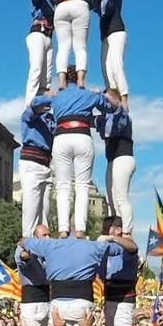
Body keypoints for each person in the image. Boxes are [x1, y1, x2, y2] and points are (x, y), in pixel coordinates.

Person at [31, 71, 119, 237]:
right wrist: (99, 94)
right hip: (82, 135)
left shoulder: (58, 96)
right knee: (82, 185)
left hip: (61, 137)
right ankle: (80, 229)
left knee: (63, 186)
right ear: (81, 78)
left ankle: (63, 229)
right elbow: (112, 107)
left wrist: (49, 96)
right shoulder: (88, 94)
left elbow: (34, 103)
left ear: (63, 79)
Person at [35, 0, 115, 90]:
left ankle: (61, 81)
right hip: (79, 3)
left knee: (63, 47)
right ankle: (80, 80)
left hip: (61, 6)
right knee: (80, 47)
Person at [97, 216, 140, 326]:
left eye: (107, 229)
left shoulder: (127, 245)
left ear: (118, 230)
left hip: (124, 298)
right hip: (109, 296)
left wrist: (113, 238)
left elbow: (133, 247)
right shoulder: (105, 246)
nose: (104, 232)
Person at [97, 88, 135, 239]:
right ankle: (117, 226)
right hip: (112, 159)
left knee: (121, 196)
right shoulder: (104, 119)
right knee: (111, 198)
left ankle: (126, 232)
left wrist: (100, 95)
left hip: (123, 157)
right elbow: (88, 120)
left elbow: (115, 104)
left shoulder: (122, 114)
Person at [18, 100, 55, 239]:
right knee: (31, 209)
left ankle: (44, 241)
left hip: (46, 164)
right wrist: (48, 98)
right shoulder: (29, 115)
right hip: (31, 162)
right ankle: (27, 241)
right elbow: (33, 109)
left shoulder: (51, 119)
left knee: (44, 211)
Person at [92, 0, 128, 108]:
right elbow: (86, 2)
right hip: (105, 35)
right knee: (105, 67)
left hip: (116, 31)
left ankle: (124, 97)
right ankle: (112, 95)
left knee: (116, 64)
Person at [16, 226, 52, 326]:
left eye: (49, 235)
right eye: (44, 235)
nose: (48, 238)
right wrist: (30, 249)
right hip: (32, 302)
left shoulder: (49, 253)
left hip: (48, 300)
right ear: (35, 238)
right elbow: (22, 256)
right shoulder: (26, 249)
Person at [25, 0, 55, 107]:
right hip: (38, 33)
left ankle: (43, 105)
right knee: (36, 68)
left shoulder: (56, 2)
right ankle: (30, 103)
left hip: (48, 36)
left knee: (46, 77)